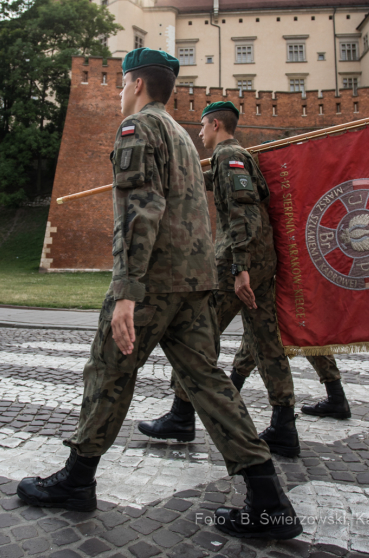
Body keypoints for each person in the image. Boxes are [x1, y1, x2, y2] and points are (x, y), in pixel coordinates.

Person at [15, 49, 301, 541]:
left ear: (136, 84)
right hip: (195, 280)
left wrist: (126, 290)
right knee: (207, 381)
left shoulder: (138, 128)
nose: (119, 93)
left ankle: (77, 480)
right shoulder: (183, 137)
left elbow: (140, 211)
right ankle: (268, 498)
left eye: (122, 83)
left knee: (108, 370)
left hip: (153, 281)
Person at [137, 100, 304, 457]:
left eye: (202, 126)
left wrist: (240, 267)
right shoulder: (235, 158)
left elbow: (243, 212)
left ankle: (182, 415)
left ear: (215, 124)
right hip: (261, 263)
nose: (199, 133)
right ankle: (284, 423)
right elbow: (217, 186)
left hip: (236, 265)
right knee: (265, 341)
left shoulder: (229, 157)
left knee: (196, 332)